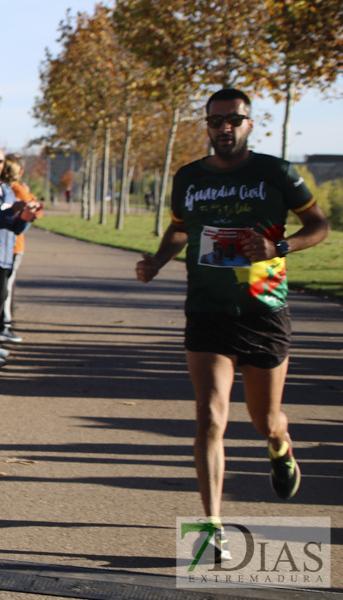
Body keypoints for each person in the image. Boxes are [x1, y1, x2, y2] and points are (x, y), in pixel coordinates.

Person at [135, 88, 328, 559]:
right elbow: (181, 227)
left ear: (249, 123)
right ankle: (212, 525)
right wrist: (158, 260)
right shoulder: (189, 177)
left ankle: (281, 445)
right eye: (216, 120)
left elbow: (319, 226)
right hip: (207, 309)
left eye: (234, 119)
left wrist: (279, 249)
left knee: (263, 420)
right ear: (207, 124)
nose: (224, 127)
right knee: (210, 416)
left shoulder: (276, 172)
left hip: (264, 309)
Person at [0, 145, 40, 366]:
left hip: (5, 255)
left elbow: (16, 226)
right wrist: (10, 212)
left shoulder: (7, 190)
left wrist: (26, 217)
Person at [0, 157, 41, 344]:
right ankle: (3, 324)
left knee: (5, 286)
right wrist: (31, 198)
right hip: (13, 244)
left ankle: (2, 323)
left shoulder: (12, 189)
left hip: (13, 243)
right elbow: (34, 210)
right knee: (5, 287)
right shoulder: (16, 189)